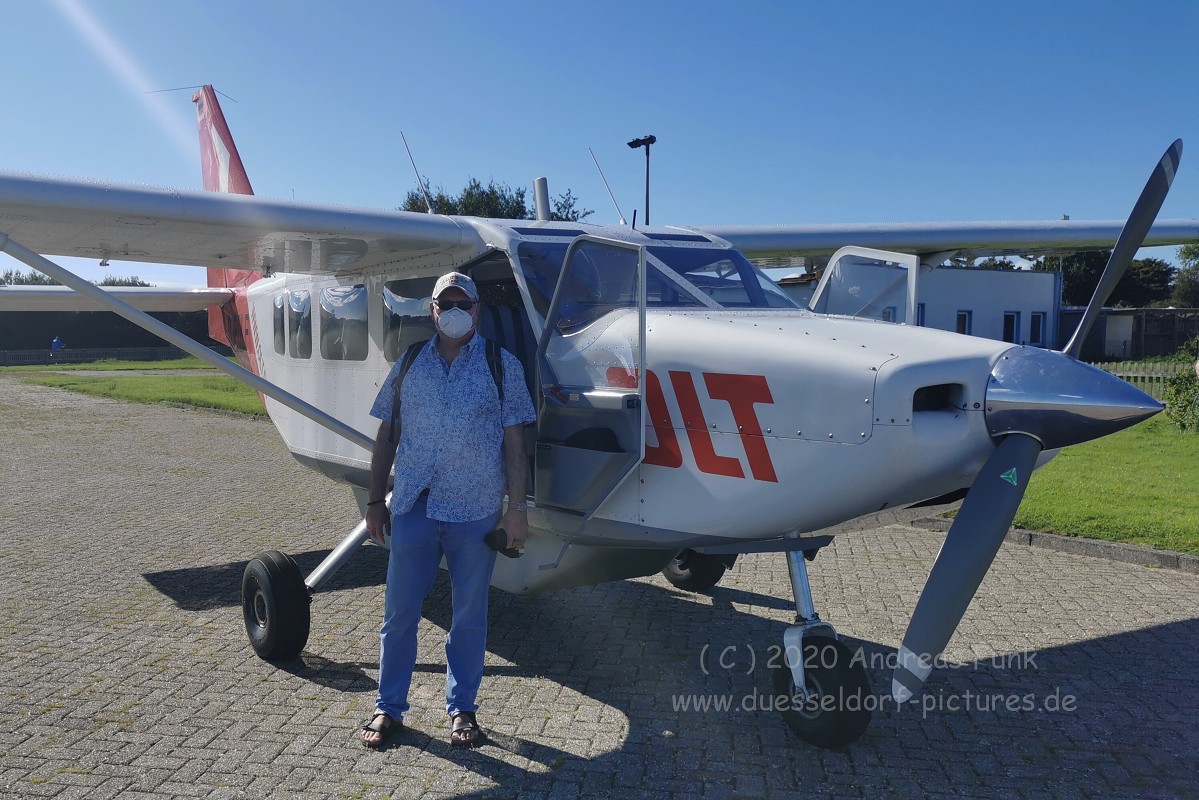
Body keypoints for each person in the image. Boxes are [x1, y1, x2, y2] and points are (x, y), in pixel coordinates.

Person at [359, 271, 535, 749]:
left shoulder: (503, 365)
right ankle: (388, 707)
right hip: (415, 504)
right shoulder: (411, 361)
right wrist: (376, 501)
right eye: (445, 302)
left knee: (468, 618)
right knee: (399, 615)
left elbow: (516, 447)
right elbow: (386, 435)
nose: (454, 309)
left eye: (463, 301)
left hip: (476, 510)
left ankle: (463, 712)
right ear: (432, 309)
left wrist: (515, 511)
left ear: (477, 308)